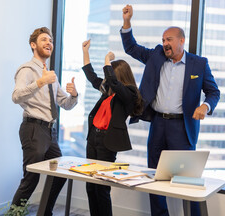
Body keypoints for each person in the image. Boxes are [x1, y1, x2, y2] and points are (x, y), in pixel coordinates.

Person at [120, 5, 220, 216]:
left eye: (169, 40)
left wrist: (205, 105)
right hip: (158, 124)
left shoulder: (199, 64)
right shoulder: (156, 56)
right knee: (155, 178)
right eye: (163, 40)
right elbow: (131, 47)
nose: (165, 43)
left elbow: (213, 92)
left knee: (188, 180)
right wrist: (127, 22)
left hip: (182, 128)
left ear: (181, 41)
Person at [11, 27, 78, 215]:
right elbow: (16, 96)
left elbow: (65, 103)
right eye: (43, 40)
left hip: (50, 132)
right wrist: (40, 82)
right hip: (33, 128)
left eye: (50, 40)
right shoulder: (27, 70)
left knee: (59, 175)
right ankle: (13, 214)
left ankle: (44, 212)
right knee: (31, 178)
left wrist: (73, 95)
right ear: (33, 45)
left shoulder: (50, 74)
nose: (49, 43)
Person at [81, 39, 143, 216]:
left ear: (118, 75)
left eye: (111, 76)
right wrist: (85, 52)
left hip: (107, 142)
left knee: (102, 187)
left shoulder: (128, 93)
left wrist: (107, 59)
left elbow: (116, 84)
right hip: (93, 137)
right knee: (90, 186)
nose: (108, 80)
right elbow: (92, 77)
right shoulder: (109, 89)